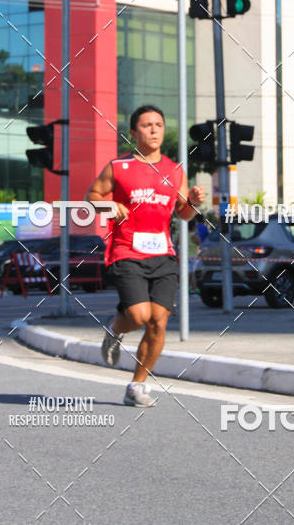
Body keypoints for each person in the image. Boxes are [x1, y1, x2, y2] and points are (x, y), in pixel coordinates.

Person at [85, 104, 205, 407]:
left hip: (163, 254)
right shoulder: (119, 167)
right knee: (139, 317)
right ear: (133, 132)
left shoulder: (174, 170)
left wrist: (192, 202)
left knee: (158, 322)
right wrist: (111, 206)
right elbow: (92, 196)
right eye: (147, 125)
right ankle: (115, 329)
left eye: (159, 125)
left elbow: (183, 213)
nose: (154, 130)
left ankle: (137, 385)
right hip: (126, 250)